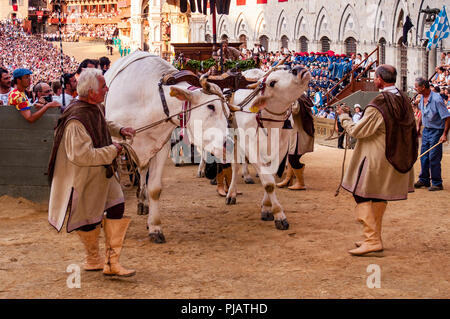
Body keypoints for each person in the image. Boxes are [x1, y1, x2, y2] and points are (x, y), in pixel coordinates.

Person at [47, 68, 137, 277]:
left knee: (117, 206)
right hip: (84, 177)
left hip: (104, 171)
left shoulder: (94, 107)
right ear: (91, 92)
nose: (107, 89)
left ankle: (111, 262)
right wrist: (113, 150)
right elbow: (82, 156)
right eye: (103, 86)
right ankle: (92, 258)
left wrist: (120, 130)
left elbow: (102, 124)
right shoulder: (75, 120)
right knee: (89, 219)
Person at [336, 64, 418, 256]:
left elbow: (358, 131)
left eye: (375, 77)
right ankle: (372, 238)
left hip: (376, 158)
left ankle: (372, 239)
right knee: (378, 196)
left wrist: (344, 117)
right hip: (395, 155)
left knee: (361, 195)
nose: (374, 80)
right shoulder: (404, 99)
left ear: (380, 79)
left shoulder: (379, 103)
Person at [413, 77, 450, 191]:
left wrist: (444, 134)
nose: (415, 88)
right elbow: (422, 114)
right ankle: (424, 179)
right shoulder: (422, 98)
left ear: (423, 87)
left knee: (433, 157)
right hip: (426, 130)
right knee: (424, 155)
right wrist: (419, 127)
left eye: (416, 86)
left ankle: (437, 182)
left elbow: (447, 118)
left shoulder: (437, 99)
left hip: (436, 131)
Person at [277, 93, 315, 190]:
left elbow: (295, 110)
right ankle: (288, 179)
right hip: (297, 133)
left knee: (293, 159)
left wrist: (287, 102)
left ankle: (301, 183)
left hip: (300, 134)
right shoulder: (300, 97)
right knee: (291, 156)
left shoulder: (297, 98)